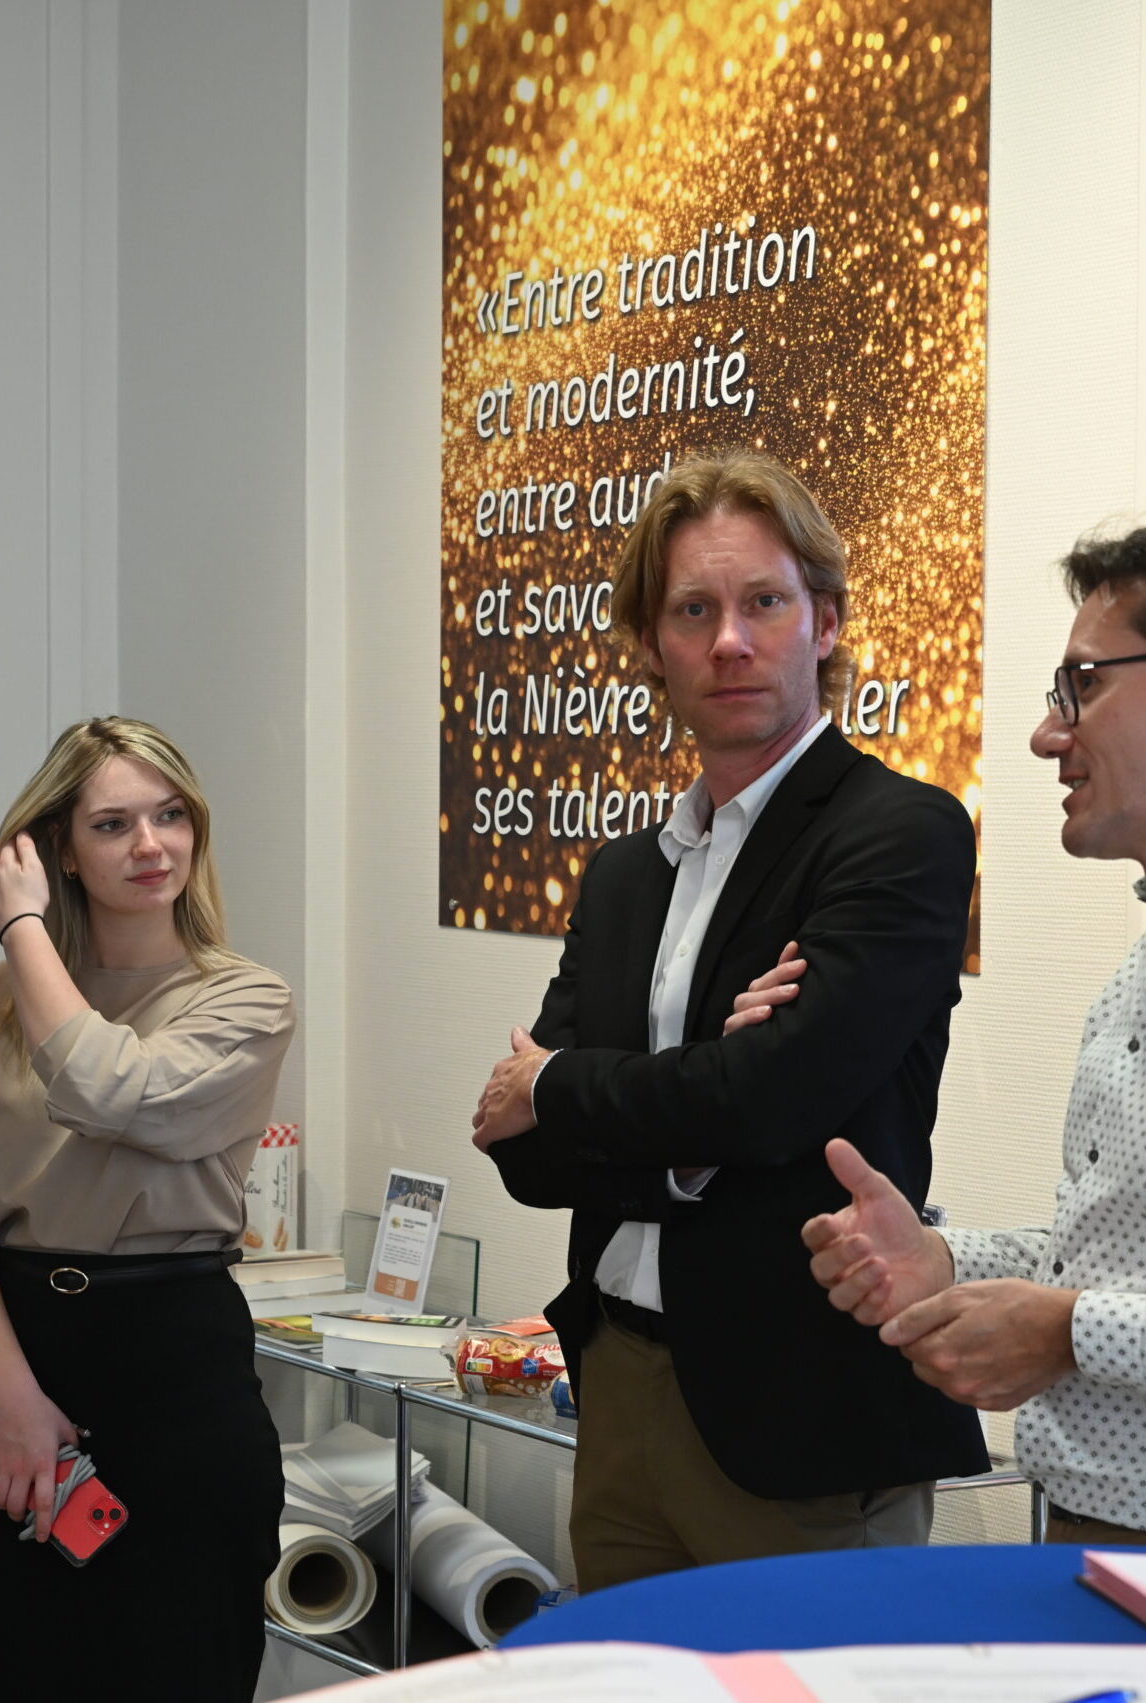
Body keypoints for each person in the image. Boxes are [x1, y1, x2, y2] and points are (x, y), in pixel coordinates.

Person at [470, 448, 989, 1590]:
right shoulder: (624, 874)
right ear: (649, 645)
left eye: (763, 602)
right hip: (617, 1386)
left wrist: (561, 1084)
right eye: (692, 611)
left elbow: (769, 1103)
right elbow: (526, 1158)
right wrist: (697, 1108)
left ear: (825, 622)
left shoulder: (896, 834)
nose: (729, 642)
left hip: (797, 1417)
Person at [0, 716, 294, 1703]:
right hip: (9, 1360)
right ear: (60, 849)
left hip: (173, 1372)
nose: (150, 845)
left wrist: (19, 926)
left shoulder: (243, 999)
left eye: (170, 816)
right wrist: (10, 1398)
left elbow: (110, 1089)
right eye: (112, 824)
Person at [800, 525, 1146, 1548]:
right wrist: (942, 1259)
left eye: (1081, 685)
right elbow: (1109, 1261)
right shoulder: (1129, 974)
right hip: (1085, 1536)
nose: (1045, 733)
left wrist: (1065, 1331)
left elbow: (1086, 1307)